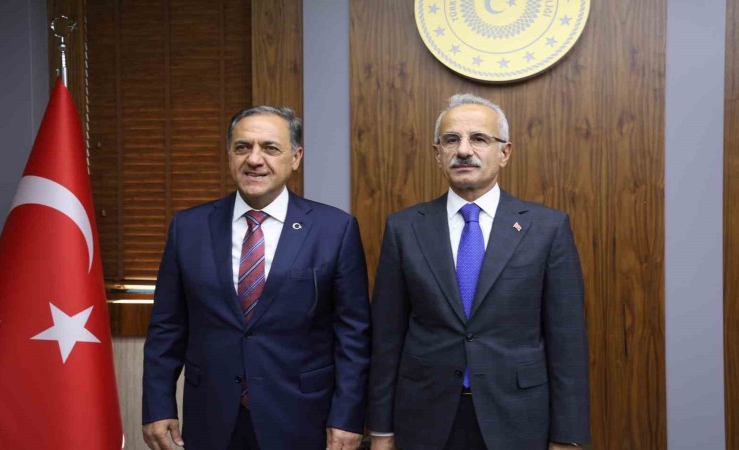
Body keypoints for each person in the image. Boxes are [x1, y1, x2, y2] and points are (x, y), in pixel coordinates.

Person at [368, 94, 590, 450]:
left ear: (504, 152)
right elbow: (386, 337)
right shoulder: (404, 228)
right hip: (424, 417)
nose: (463, 150)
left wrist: (568, 437)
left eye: (479, 139)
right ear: (437, 153)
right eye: (451, 140)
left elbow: (568, 343)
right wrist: (380, 430)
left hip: (518, 418)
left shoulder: (547, 228)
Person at [142, 106, 371, 450]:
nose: (254, 159)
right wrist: (158, 406)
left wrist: (347, 417)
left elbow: (353, 335)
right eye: (242, 147)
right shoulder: (188, 228)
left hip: (302, 417)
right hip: (211, 416)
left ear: (296, 157)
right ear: (229, 155)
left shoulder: (335, 230)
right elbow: (166, 327)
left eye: (270, 148)